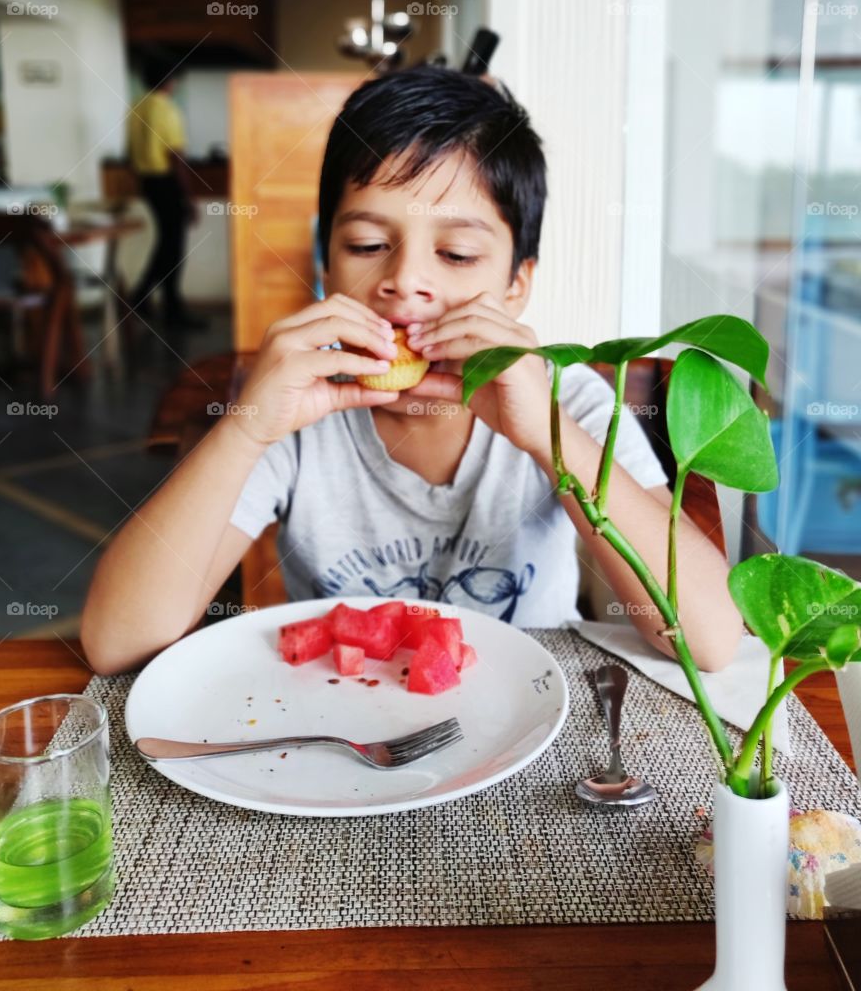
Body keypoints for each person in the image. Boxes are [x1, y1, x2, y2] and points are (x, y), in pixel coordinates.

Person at [82, 65, 742, 674]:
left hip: (534, 712)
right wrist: (246, 429)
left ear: (516, 284)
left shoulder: (569, 404)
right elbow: (118, 643)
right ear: (326, 267)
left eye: (456, 255)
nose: (405, 280)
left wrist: (550, 438)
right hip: (347, 718)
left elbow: (709, 640)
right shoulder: (296, 415)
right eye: (367, 244)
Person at [127, 61, 206, 329]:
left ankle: (144, 296)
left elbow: (131, 153)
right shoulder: (167, 108)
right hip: (168, 183)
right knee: (173, 247)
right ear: (170, 81)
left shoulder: (137, 107)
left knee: (167, 243)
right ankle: (169, 308)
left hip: (148, 183)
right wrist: (189, 198)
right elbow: (176, 156)